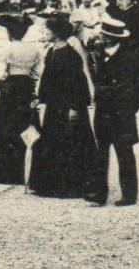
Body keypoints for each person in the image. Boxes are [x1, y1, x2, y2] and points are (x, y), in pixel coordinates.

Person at [27, 14, 100, 199]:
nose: (45, 33)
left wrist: (75, 107)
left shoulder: (70, 55)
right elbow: (47, 80)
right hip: (54, 107)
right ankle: (51, 184)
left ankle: (72, 185)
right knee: (53, 143)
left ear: (57, 33)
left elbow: (78, 83)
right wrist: (40, 98)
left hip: (68, 107)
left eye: (48, 30)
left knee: (71, 144)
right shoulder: (52, 51)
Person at [87, 8, 139, 206]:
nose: (100, 39)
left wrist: (127, 110)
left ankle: (129, 194)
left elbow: (137, 91)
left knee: (124, 154)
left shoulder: (130, 58)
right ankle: (99, 193)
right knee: (100, 154)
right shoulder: (98, 56)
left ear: (110, 39)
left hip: (122, 116)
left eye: (104, 36)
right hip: (102, 114)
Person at [0, 12, 41, 186]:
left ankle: (4, 171)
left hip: (11, 90)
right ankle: (26, 170)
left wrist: (0, 79)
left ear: (10, 32)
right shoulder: (34, 49)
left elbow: (0, 74)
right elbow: (37, 72)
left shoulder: (8, 48)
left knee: (6, 126)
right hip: (26, 87)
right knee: (25, 125)